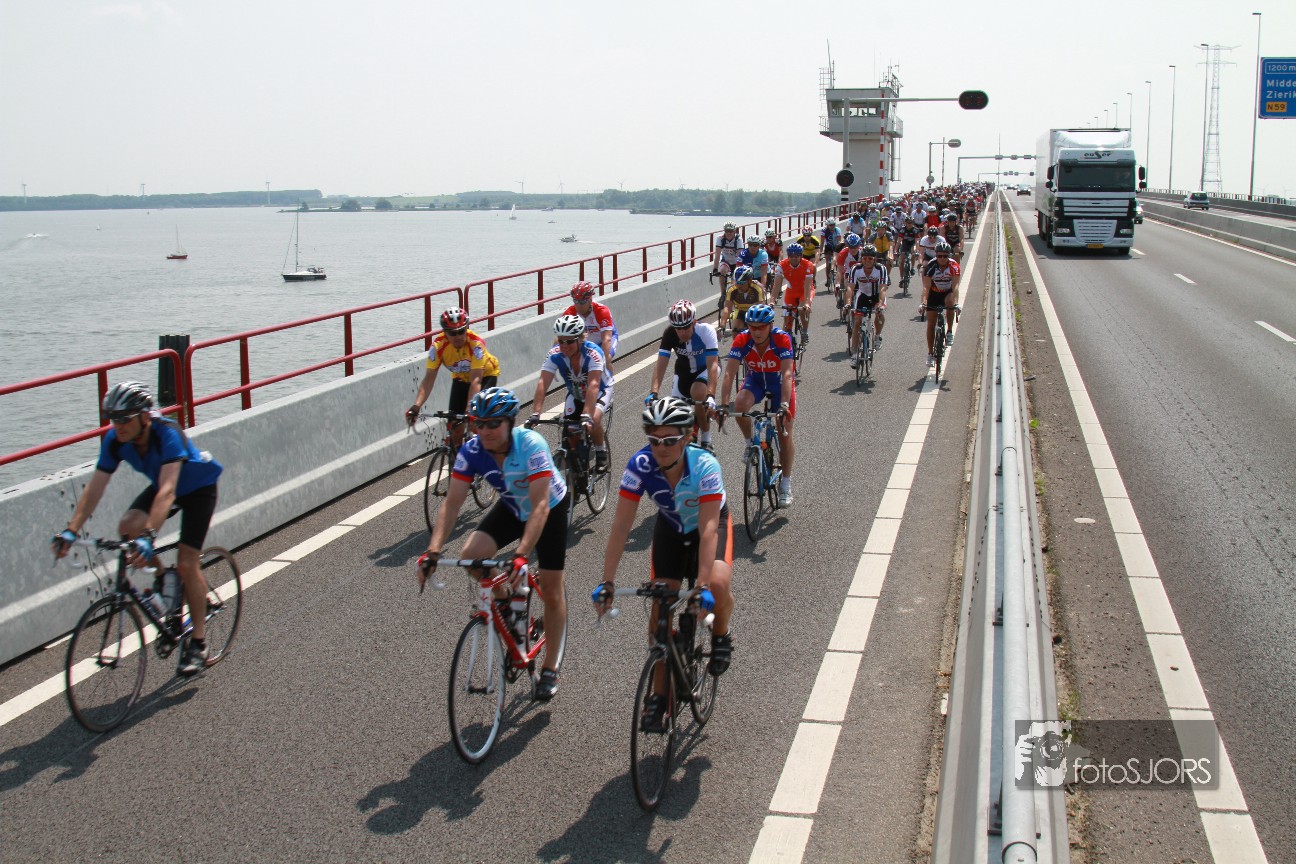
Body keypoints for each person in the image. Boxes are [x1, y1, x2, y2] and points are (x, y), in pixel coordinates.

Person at [52, 381, 223, 676]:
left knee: (187, 563)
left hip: (198, 488)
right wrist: (72, 530)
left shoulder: (168, 434)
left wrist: (149, 537)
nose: (117, 425)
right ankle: (164, 578)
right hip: (164, 486)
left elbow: (167, 491)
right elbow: (95, 487)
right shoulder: (115, 440)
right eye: (112, 418)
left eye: (124, 418)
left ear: (144, 417)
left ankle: (198, 644)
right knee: (127, 526)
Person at [418, 387, 569, 701]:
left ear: (510, 422)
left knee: (552, 589)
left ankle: (550, 667)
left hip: (549, 508)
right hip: (513, 505)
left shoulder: (531, 445)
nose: (485, 431)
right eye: (479, 424)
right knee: (472, 556)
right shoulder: (472, 451)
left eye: (494, 423)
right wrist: (433, 551)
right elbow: (452, 503)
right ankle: (508, 601)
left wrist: (521, 554)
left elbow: (540, 506)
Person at [594, 397, 736, 731]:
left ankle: (721, 635)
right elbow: (621, 526)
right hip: (671, 529)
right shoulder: (639, 466)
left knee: (717, 583)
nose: (661, 448)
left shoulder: (705, 466)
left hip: (708, 527)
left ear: (687, 437)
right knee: (660, 607)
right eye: (654, 440)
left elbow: (709, 528)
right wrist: (607, 581)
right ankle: (659, 695)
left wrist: (701, 586)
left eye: (670, 440)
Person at [719, 304, 797, 508]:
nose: (756, 331)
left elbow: (787, 374)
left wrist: (784, 405)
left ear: (770, 326)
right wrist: (724, 404)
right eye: (752, 327)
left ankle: (786, 484)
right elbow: (729, 373)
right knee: (739, 406)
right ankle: (749, 444)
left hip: (779, 384)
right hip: (756, 381)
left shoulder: (782, 339)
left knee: (784, 431)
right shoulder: (742, 339)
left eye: (761, 327)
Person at [405, 307, 501, 449]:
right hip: (460, 379)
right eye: (452, 333)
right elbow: (428, 380)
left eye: (461, 331)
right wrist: (416, 406)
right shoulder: (438, 347)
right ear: (445, 332)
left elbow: (476, 380)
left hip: (486, 376)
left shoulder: (476, 344)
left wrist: (470, 409)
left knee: (477, 422)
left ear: (467, 328)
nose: (458, 336)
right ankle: (457, 459)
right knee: (455, 427)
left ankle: (488, 451)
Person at [527, 315, 612, 472]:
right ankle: (574, 473)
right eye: (561, 341)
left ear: (581, 339)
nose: (565, 346)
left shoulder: (593, 353)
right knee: (570, 432)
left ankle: (601, 452)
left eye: (570, 341)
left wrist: (586, 415)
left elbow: (593, 385)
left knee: (593, 419)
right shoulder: (554, 355)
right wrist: (535, 413)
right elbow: (543, 383)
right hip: (576, 393)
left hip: (600, 391)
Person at [647, 300, 721, 449]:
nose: (682, 332)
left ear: (694, 322)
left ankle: (706, 439)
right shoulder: (669, 334)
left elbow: (712, 364)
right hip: (683, 373)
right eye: (678, 328)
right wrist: (653, 393)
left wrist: (711, 395)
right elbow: (661, 364)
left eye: (686, 327)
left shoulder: (706, 331)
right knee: (677, 418)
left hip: (705, 369)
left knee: (698, 393)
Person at [845, 245, 889, 369]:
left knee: (879, 314)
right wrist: (848, 303)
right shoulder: (856, 269)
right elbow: (850, 287)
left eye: (870, 258)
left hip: (876, 296)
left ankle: (877, 336)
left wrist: (880, 304)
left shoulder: (881, 269)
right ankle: (855, 354)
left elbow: (883, 288)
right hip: (863, 295)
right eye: (864, 258)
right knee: (857, 322)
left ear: (875, 259)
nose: (867, 261)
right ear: (861, 259)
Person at [562, 281, 618, 376]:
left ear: (590, 299)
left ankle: (609, 383)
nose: (579, 305)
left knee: (606, 359)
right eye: (576, 301)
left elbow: (606, 339)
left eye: (582, 302)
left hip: (605, 339)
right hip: (586, 342)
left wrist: (602, 360)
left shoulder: (601, 311)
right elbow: (560, 338)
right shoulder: (570, 313)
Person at [921, 241, 962, 367]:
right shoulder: (930, 266)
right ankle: (930, 353)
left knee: (950, 302)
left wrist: (956, 303)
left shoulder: (954, 266)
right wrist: (923, 303)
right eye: (939, 256)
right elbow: (926, 288)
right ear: (936, 255)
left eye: (945, 256)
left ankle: (949, 331)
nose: (942, 258)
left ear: (949, 256)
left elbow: (955, 286)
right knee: (931, 324)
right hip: (934, 293)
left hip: (947, 292)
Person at [778, 242, 816, 346]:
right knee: (787, 322)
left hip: (805, 291)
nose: (793, 258)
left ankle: (804, 331)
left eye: (796, 256)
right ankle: (785, 345)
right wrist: (772, 301)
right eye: (791, 256)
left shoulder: (808, 265)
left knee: (802, 309)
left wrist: (807, 303)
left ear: (801, 256)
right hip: (791, 291)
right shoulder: (782, 265)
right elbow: (776, 286)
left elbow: (807, 285)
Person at [720, 264, 765, 339]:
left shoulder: (757, 288)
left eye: (741, 283)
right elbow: (727, 308)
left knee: (755, 332)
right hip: (740, 311)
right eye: (737, 283)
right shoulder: (732, 289)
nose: (738, 286)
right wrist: (722, 325)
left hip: (754, 311)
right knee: (735, 330)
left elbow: (761, 308)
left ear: (749, 281)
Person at [711, 223, 743, 312]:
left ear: (734, 231)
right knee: (722, 271)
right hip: (726, 261)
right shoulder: (720, 238)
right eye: (727, 231)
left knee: (734, 281)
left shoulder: (738, 239)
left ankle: (733, 296)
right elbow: (717, 254)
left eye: (731, 231)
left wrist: (737, 271)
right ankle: (722, 294)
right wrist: (715, 269)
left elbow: (740, 256)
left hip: (736, 262)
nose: (729, 233)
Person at [761, 229, 784, 304]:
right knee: (766, 264)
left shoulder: (778, 241)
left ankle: (779, 288)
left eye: (770, 237)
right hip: (770, 255)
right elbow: (761, 252)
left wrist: (779, 263)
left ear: (774, 237)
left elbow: (781, 252)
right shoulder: (764, 242)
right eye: (767, 237)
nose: (769, 239)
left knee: (780, 272)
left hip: (777, 256)